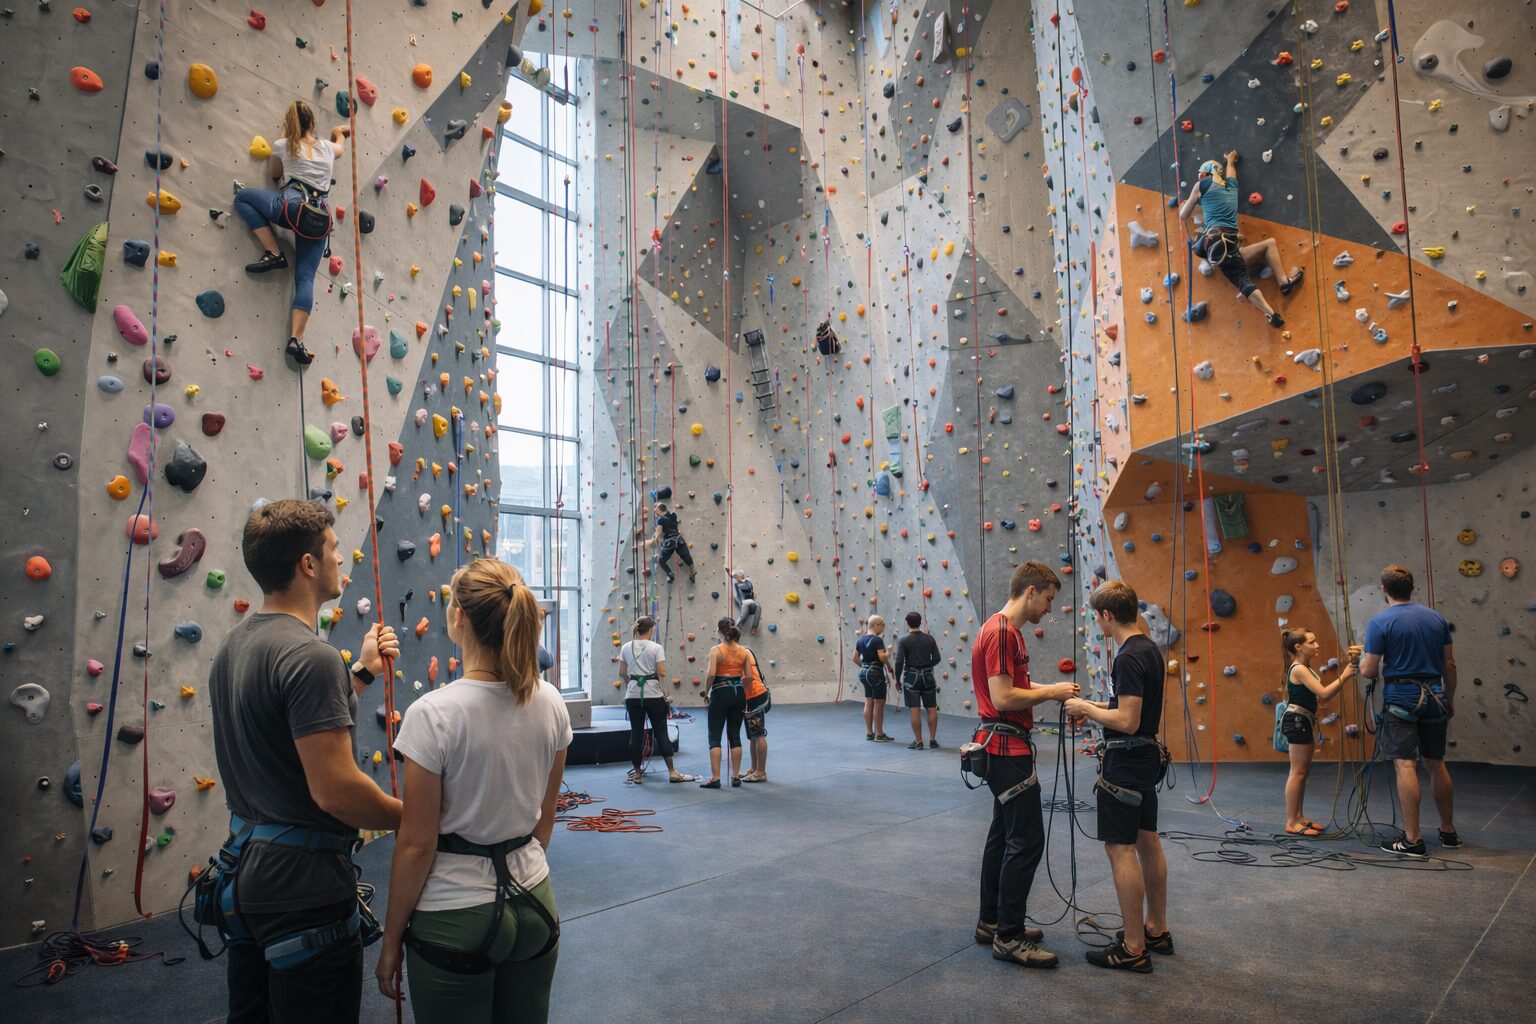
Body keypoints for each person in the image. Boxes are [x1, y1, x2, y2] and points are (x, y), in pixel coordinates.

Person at [207, 499, 403, 1024]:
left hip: (247, 874)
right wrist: (412, 816)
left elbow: (283, 734)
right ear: (309, 565)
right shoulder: (310, 657)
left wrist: (359, 674)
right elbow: (335, 790)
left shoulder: (236, 646)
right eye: (335, 549)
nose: (343, 558)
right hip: (304, 886)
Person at [374, 558, 572, 1022]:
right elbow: (545, 820)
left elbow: (417, 844)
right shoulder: (551, 701)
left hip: (453, 913)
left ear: (459, 617)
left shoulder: (433, 714)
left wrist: (390, 941)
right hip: (535, 900)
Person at [970, 562, 1078, 969]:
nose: (1049, 608)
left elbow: (1013, 688)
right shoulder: (1001, 632)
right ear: (1031, 591)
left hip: (1001, 745)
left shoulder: (1001, 630)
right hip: (1005, 749)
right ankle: (1009, 937)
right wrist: (1052, 690)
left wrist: (1055, 693)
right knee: (1026, 841)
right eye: (1048, 599)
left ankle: (993, 920)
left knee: (1003, 836)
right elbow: (1002, 698)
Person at [1064, 580, 1170, 973]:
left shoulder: (1127, 656)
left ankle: (1133, 946)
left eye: (1098, 616)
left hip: (1125, 763)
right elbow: (1128, 709)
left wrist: (1087, 710)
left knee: (1120, 849)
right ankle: (1156, 928)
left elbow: (1127, 720)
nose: (1099, 622)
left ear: (1107, 615)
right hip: (1144, 758)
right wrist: (1089, 705)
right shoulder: (1149, 649)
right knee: (1147, 841)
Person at [233, 100, 349, 367]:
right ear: (314, 124)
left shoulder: (283, 145)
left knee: (243, 199)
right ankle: (296, 339)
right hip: (320, 218)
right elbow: (341, 147)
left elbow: (274, 175)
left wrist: (284, 137)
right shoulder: (328, 148)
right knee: (305, 278)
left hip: (291, 207)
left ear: (288, 124)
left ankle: (273, 252)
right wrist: (339, 132)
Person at [1358, 565, 1459, 857]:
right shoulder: (1436, 618)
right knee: (1436, 763)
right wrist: (1449, 697)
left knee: (1405, 765)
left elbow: (1368, 670)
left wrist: (1360, 659)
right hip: (1435, 696)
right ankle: (1448, 832)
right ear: (1411, 587)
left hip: (1401, 698)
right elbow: (1449, 665)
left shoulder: (1380, 622)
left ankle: (1413, 839)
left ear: (1384, 590)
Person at [1178, 148, 1303, 329]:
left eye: (1201, 174)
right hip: (1229, 242)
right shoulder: (1232, 187)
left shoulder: (1202, 185)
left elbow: (1183, 215)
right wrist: (1230, 161)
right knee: (1269, 244)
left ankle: (1271, 313)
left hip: (1216, 243)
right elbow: (1231, 175)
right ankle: (1283, 282)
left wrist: (1193, 201)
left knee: (1242, 279)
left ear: (1206, 174)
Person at [1278, 627, 1358, 836]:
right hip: (1296, 720)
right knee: (1297, 772)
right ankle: (1291, 821)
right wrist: (1346, 675)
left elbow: (1319, 697)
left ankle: (1299, 817)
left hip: (1302, 720)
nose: (1317, 645)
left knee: (1302, 773)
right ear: (1298, 646)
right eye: (1311, 642)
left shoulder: (1305, 667)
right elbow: (1324, 694)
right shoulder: (1299, 669)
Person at [619, 616, 688, 784]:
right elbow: (661, 672)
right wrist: (667, 694)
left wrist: (632, 684)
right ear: (651, 630)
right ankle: (672, 771)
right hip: (654, 695)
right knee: (661, 732)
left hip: (633, 695)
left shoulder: (626, 647)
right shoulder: (656, 648)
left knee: (636, 734)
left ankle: (637, 773)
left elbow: (622, 672)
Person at [699, 619, 750, 788]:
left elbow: (711, 674)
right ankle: (735, 776)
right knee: (734, 735)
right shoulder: (744, 651)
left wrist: (706, 692)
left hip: (721, 691)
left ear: (719, 631)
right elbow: (748, 677)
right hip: (739, 692)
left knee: (714, 736)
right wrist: (744, 693)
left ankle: (715, 778)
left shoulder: (716, 650)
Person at [892, 611, 943, 749]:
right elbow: (937, 658)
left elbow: (899, 662)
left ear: (906, 622)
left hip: (911, 677)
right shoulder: (929, 638)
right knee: (931, 708)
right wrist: (927, 666)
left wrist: (897, 681)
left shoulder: (903, 641)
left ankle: (919, 741)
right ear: (920, 622)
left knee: (915, 710)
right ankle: (932, 740)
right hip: (928, 677)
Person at [855, 616, 895, 742]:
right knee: (879, 703)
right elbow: (882, 657)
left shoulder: (860, 639)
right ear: (876, 625)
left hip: (864, 672)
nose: (883, 628)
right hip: (875, 672)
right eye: (882, 625)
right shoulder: (877, 640)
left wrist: (865, 667)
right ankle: (879, 734)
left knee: (869, 701)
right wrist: (889, 652)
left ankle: (869, 732)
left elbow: (855, 658)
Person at [739, 624, 771, 783]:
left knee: (758, 735)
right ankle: (754, 768)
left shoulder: (742, 653)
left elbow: (748, 678)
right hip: (751, 697)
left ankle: (761, 772)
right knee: (752, 736)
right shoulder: (745, 651)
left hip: (755, 696)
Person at [644, 502, 696, 585]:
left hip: (669, 543)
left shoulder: (660, 520)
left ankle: (670, 574)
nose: (656, 513)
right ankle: (692, 573)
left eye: (656, 511)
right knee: (687, 556)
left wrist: (654, 540)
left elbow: (659, 532)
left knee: (662, 561)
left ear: (660, 510)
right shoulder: (673, 515)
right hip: (679, 540)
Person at [731, 569, 762, 634]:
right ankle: (736, 628)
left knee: (758, 607)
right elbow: (737, 595)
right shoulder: (738, 585)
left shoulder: (748, 582)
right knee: (743, 617)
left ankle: (754, 628)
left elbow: (748, 586)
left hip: (752, 602)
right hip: (745, 603)